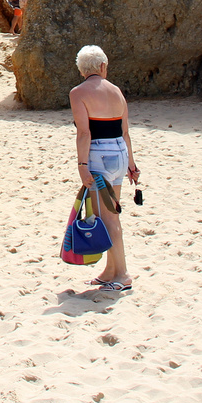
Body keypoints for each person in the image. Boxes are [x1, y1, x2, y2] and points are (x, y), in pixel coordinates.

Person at [69, 44, 140, 293]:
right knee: (107, 214)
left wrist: (82, 165)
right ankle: (110, 271)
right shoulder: (117, 91)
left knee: (108, 217)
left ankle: (122, 274)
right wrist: (131, 163)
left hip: (99, 156)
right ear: (102, 67)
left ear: (82, 70)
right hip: (119, 153)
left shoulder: (79, 93)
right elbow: (125, 132)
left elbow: (84, 132)